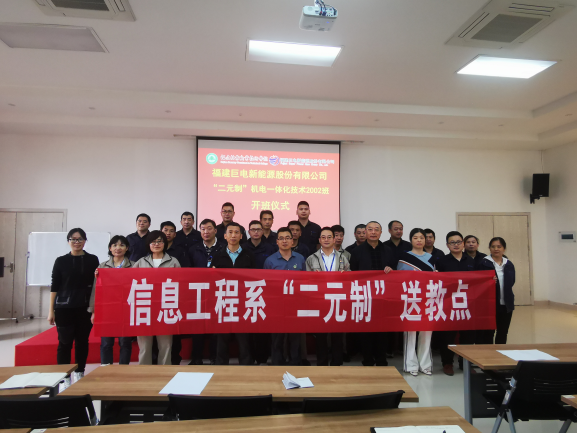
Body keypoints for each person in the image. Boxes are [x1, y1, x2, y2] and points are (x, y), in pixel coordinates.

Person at [48, 228, 99, 381]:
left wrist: (95, 309)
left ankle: (79, 373)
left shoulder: (92, 260)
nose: (77, 242)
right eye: (73, 239)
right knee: (65, 343)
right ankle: (64, 378)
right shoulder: (60, 261)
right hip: (63, 308)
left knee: (82, 342)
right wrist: (51, 310)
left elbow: (97, 284)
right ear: (68, 241)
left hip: (84, 308)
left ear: (85, 241)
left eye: (80, 239)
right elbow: (54, 286)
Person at [349, 221, 394, 366]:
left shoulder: (388, 250)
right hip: (364, 295)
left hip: (383, 295)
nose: (373, 232)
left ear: (381, 232)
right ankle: (367, 358)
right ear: (365, 232)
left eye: (376, 229)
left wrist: (391, 269)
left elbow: (395, 272)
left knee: (382, 329)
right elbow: (353, 274)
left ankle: (381, 358)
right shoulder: (356, 252)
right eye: (370, 229)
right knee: (365, 329)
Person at [133, 230, 181, 365]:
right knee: (144, 345)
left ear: (165, 243)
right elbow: (127, 280)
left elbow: (181, 282)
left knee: (166, 344)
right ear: (148, 244)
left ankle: (164, 371)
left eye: (160, 241)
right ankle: (144, 370)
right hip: (145, 307)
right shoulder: (141, 262)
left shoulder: (173, 261)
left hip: (166, 306)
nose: (156, 244)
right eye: (153, 241)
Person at [211, 222, 256, 365]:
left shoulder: (249, 255)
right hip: (224, 301)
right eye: (230, 232)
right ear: (225, 236)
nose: (233, 235)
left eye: (236, 232)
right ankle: (221, 365)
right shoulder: (217, 256)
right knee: (222, 337)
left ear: (241, 236)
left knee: (244, 337)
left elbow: (255, 278)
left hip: (243, 301)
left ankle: (246, 365)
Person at [306, 227, 350, 366]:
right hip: (319, 300)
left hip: (338, 300)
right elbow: (306, 280)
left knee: (337, 334)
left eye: (329, 237)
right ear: (319, 240)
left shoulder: (343, 257)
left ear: (334, 239)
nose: (326, 240)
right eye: (323, 237)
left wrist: (345, 276)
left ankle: (337, 363)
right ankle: (322, 363)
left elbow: (350, 278)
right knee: (321, 335)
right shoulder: (311, 258)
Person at [434, 231, 476, 376]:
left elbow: (479, 281)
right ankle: (447, 363)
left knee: (468, 336)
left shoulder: (472, 261)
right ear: (447, 245)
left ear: (463, 244)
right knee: (447, 335)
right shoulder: (442, 261)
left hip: (467, 304)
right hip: (448, 304)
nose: (456, 245)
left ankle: (465, 364)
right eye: (452, 242)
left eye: (458, 242)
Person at [88, 235, 134, 366]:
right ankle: (106, 369)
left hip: (126, 310)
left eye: (121, 245)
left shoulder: (134, 266)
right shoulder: (103, 266)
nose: (118, 248)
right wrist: (94, 311)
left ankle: (123, 370)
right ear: (110, 248)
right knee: (106, 343)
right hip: (107, 310)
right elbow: (96, 290)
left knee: (125, 342)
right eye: (114, 245)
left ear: (127, 248)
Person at [264, 227, 306, 365]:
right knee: (278, 337)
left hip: (296, 303)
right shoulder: (270, 261)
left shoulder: (300, 259)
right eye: (281, 238)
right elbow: (266, 285)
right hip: (277, 305)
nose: (284, 241)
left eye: (287, 238)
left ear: (292, 241)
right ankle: (277, 363)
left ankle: (295, 362)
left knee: (295, 337)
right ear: (277, 242)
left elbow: (305, 281)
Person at [397, 229, 435, 376]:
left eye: (421, 238)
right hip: (411, 298)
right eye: (415, 237)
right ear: (411, 240)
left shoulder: (431, 258)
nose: (419, 240)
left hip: (428, 298)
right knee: (410, 333)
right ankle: (411, 365)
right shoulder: (403, 257)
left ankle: (425, 364)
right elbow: (399, 279)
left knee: (426, 331)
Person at [187, 218, 222, 365]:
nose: (206, 232)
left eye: (209, 228)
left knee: (215, 325)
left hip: (217, 292)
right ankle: (196, 358)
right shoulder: (193, 249)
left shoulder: (223, 247)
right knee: (198, 326)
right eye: (203, 229)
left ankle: (214, 357)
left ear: (215, 230)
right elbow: (188, 271)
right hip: (198, 292)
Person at [243, 220, 276, 365]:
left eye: (258, 229)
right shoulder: (242, 248)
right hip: (246, 291)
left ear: (263, 231)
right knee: (248, 326)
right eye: (253, 229)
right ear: (248, 232)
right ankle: (249, 358)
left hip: (265, 291)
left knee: (263, 325)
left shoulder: (270, 248)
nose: (256, 232)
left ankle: (263, 358)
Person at [477, 237, 515, 345]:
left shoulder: (509, 264)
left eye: (499, 246)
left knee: (503, 332)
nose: (496, 249)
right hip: (489, 304)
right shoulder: (483, 263)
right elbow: (478, 282)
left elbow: (512, 281)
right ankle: (488, 353)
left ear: (504, 249)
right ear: (489, 248)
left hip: (506, 303)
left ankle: (500, 352)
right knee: (488, 333)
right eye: (493, 246)